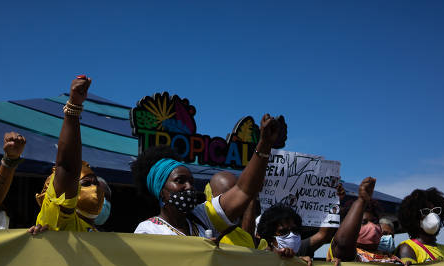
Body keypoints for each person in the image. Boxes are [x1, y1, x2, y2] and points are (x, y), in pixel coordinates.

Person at [131, 114, 285, 238]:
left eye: (191, 181)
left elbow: (243, 190)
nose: (189, 186)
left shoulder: (202, 217)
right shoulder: (148, 231)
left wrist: (264, 144)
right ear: (161, 192)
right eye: (180, 181)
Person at [33, 76, 104, 233]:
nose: (96, 189)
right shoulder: (58, 218)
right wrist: (73, 108)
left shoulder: (96, 233)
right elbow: (67, 168)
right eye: (86, 184)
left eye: (96, 183)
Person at [327, 177, 401, 264]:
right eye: (363, 222)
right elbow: (343, 243)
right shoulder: (350, 254)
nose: (372, 227)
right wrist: (361, 200)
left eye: (375, 221)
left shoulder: (389, 256)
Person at [396, 187, 444, 265]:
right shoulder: (407, 248)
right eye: (425, 212)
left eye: (436, 211)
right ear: (414, 217)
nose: (433, 215)